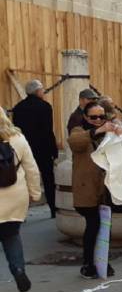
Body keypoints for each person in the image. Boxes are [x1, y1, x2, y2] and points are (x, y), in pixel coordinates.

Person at [69, 101, 122, 278]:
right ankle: (88, 263)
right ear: (85, 117)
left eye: (101, 116)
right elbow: (75, 142)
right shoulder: (79, 131)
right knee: (93, 226)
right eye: (93, 117)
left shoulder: (109, 131)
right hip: (87, 190)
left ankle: (101, 261)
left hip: (106, 189)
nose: (98, 120)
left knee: (104, 227)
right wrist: (97, 131)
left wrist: (120, 129)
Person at [0, 107, 41, 292]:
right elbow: (31, 169)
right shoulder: (18, 139)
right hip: (15, 197)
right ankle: (18, 270)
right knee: (11, 235)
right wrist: (35, 192)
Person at [12, 80, 58, 217]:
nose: (43, 92)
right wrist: (53, 151)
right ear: (38, 91)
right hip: (43, 148)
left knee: (24, 179)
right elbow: (48, 130)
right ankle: (53, 209)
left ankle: (22, 212)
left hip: (25, 148)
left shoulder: (18, 107)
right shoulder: (45, 106)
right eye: (42, 89)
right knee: (48, 179)